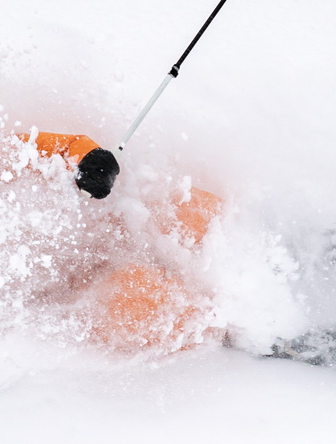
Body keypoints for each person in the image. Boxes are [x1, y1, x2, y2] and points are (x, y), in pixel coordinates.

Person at [18, 129, 223, 353]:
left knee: (191, 214)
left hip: (106, 220)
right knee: (137, 303)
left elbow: (26, 147)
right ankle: (229, 320)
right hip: (73, 291)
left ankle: (249, 265)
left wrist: (86, 158)